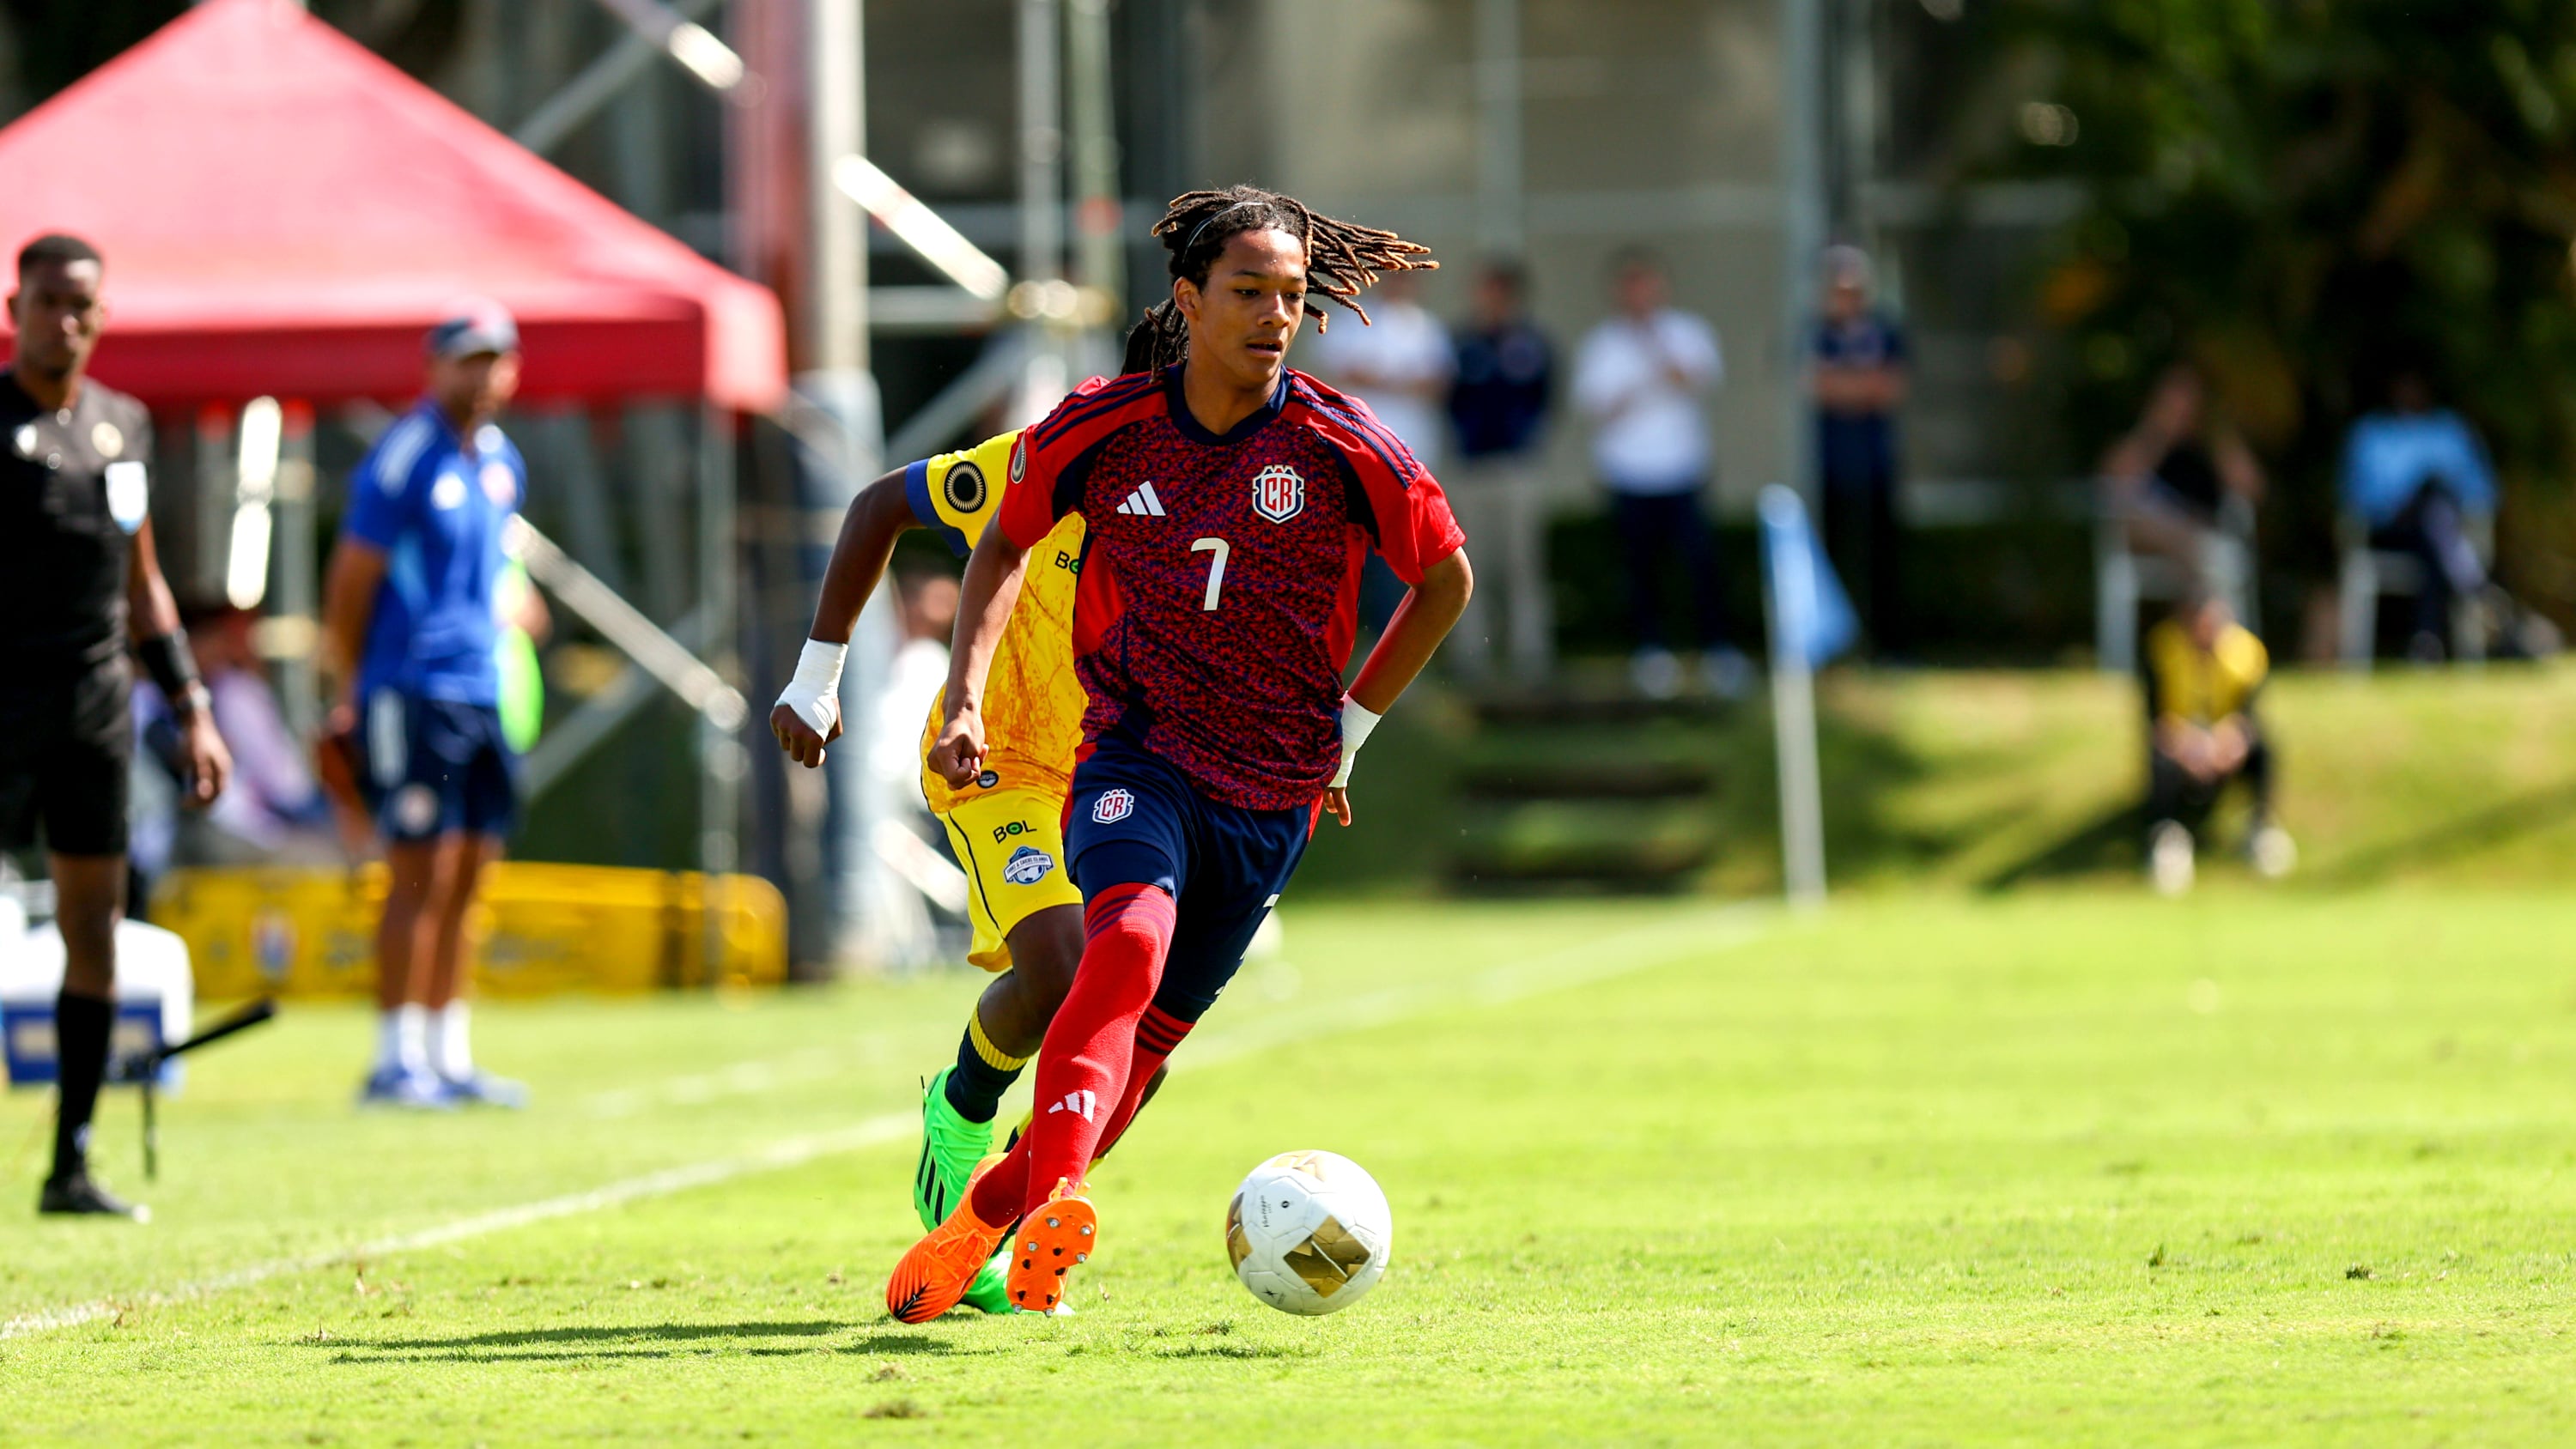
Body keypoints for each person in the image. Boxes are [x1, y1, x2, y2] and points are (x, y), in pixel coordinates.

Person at [884, 185, 1470, 1322]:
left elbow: (1445, 581)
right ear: (1189, 300)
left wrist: (1350, 732)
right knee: (1124, 947)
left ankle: (988, 1216)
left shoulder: (1342, 442)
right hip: (1137, 757)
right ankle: (1057, 1198)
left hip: (1273, 795)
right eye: (1248, 291)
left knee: (1144, 1053)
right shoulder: (1102, 427)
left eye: (1290, 296)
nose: (1274, 315)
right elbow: (1002, 542)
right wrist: (962, 700)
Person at [0, 233, 230, 1217]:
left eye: (81, 304)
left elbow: (144, 583)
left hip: (94, 711)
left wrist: (192, 706)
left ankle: (71, 1162)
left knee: (93, 926)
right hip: (3, 702)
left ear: (102, 315)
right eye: (48, 301)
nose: (65, 320)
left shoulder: (123, 425)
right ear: (15, 310)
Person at [320, 300, 536, 1111]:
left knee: (473, 871)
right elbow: (352, 578)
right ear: (433, 368)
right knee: (417, 872)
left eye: (495, 360)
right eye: (467, 360)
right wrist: (350, 683)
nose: (482, 376)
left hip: (484, 689)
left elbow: (495, 571)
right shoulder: (406, 453)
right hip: (413, 688)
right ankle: (394, 1057)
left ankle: (450, 1052)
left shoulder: (502, 461)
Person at [1571, 248, 1739, 699]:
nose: (1639, 293)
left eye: (1647, 283)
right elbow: (1598, 408)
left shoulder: (1688, 332)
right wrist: (1641, 383)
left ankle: (1718, 651)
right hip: (1628, 473)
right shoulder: (1602, 344)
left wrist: (1657, 353)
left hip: (1684, 468)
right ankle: (1652, 653)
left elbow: (1698, 381)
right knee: (1640, 570)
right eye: (1631, 284)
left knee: (1701, 565)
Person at [1444, 259, 1556, 682]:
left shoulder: (1531, 343)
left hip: (1516, 465)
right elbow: (1449, 396)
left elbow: (1545, 397)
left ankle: (1531, 656)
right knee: (1470, 566)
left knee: (1523, 564)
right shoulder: (1462, 343)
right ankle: (1473, 657)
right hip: (1471, 466)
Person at [2142, 592, 2291, 896]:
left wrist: (2228, 742)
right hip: (2181, 739)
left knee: (2264, 749)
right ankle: (2167, 837)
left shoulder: (2247, 652)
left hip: (2226, 738)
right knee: (2160, 758)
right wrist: (2187, 746)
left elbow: (2250, 713)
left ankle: (2261, 827)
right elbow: (2155, 717)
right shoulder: (2162, 648)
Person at [2342, 371, 2497, 662]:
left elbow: (2482, 491)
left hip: (2439, 533)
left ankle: (2425, 644)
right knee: (2431, 511)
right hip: (2393, 530)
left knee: (2434, 518)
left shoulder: (2450, 429)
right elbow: (2359, 498)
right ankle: (2474, 584)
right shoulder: (2372, 433)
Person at [1809, 246, 1909, 656]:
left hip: (1877, 463)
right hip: (1831, 465)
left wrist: (1845, 386)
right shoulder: (1817, 334)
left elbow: (1891, 389)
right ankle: (1837, 647)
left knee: (1883, 558)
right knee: (1834, 555)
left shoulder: (1885, 331)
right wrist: (1862, 386)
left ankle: (1890, 646)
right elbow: (1816, 386)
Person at [2099, 363, 2264, 601]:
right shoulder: (2145, 442)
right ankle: (2198, 551)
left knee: (2209, 547)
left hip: (2204, 534)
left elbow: (2252, 488)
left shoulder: (2209, 447)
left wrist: (2218, 432)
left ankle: (2199, 557)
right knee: (2130, 515)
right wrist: (2157, 431)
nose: (2181, 407)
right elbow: (2112, 484)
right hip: (2165, 539)